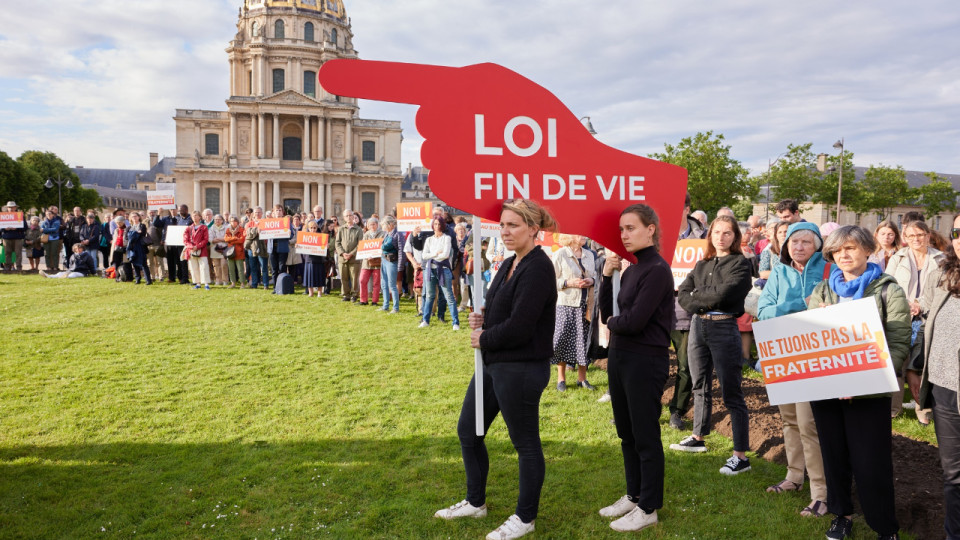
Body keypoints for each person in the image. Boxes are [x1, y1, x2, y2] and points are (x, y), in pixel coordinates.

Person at [435, 199, 557, 540]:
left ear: (533, 229)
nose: (505, 231)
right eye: (503, 225)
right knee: (468, 432)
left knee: (525, 444)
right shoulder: (507, 263)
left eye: (513, 225)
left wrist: (484, 336)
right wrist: (483, 317)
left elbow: (520, 326)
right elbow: (499, 308)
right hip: (494, 364)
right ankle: (476, 502)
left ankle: (525, 517)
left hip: (521, 368)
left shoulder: (538, 267)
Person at [807, 225, 910, 540]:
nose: (843, 255)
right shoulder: (823, 291)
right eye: (837, 250)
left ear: (868, 250)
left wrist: (863, 381)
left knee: (871, 463)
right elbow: (810, 338)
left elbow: (898, 343)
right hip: (827, 391)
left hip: (868, 394)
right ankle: (842, 515)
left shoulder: (887, 290)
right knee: (834, 457)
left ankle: (884, 527)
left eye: (850, 248)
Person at [595, 204, 674, 532]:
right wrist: (606, 275)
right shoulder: (631, 269)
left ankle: (649, 506)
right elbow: (605, 315)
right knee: (626, 432)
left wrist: (615, 322)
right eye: (622, 229)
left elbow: (634, 320)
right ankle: (634, 494)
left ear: (650, 229)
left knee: (644, 434)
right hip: (620, 357)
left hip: (645, 359)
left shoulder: (656, 269)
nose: (624, 235)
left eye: (631, 228)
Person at [757, 222, 829, 517]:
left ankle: (821, 493)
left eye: (806, 242)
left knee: (808, 423)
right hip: (782, 354)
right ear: (786, 246)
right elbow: (763, 311)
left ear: (817, 246)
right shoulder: (779, 273)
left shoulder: (828, 271)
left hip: (814, 355)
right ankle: (794, 477)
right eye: (794, 242)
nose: (799, 247)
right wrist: (799, 303)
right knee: (788, 419)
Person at [671, 215, 754, 475]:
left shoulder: (740, 264)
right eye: (716, 232)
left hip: (724, 327)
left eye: (727, 233)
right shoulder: (702, 263)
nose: (721, 237)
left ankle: (740, 455)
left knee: (732, 391)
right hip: (698, 327)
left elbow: (724, 294)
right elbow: (683, 294)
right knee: (700, 384)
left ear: (735, 236)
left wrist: (699, 297)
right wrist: (700, 299)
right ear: (710, 235)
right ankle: (698, 437)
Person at [918, 212, 960, 540]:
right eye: (957, 231)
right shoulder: (943, 275)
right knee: (954, 475)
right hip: (946, 389)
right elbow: (929, 321)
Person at [886, 219, 943, 425]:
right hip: (900, 315)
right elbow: (888, 285)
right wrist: (905, 303)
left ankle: (923, 410)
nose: (916, 239)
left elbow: (942, 288)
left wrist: (920, 303)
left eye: (920, 235)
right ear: (905, 238)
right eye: (911, 236)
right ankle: (894, 408)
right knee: (898, 362)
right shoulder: (897, 258)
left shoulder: (941, 258)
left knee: (922, 363)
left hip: (928, 316)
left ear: (928, 236)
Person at [550, 233, 596, 390]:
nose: (584, 236)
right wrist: (567, 282)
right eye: (579, 234)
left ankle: (582, 379)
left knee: (584, 342)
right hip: (566, 304)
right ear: (570, 236)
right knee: (562, 341)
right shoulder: (560, 254)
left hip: (586, 305)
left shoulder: (589, 254)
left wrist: (592, 281)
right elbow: (549, 279)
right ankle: (561, 379)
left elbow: (595, 276)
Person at [420, 216, 460, 329]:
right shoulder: (429, 239)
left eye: (439, 224)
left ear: (442, 225)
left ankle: (455, 323)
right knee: (429, 296)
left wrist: (432, 255)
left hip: (443, 270)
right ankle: (425, 320)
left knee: (449, 297)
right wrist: (436, 253)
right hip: (430, 269)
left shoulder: (446, 238)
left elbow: (445, 255)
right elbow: (424, 255)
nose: (437, 226)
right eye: (435, 224)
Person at [335, 209, 364, 302]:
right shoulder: (341, 229)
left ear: (353, 216)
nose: (348, 217)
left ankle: (354, 294)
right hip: (342, 258)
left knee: (354, 278)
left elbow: (360, 244)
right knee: (344, 277)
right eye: (346, 216)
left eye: (350, 215)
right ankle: (346, 294)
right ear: (344, 218)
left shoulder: (359, 230)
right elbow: (337, 242)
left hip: (354, 259)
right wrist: (343, 253)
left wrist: (351, 254)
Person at [358, 217, 383, 306]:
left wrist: (375, 255)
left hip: (377, 262)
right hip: (366, 262)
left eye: (374, 224)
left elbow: (382, 247)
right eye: (370, 224)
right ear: (367, 226)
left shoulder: (382, 234)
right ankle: (363, 300)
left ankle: (374, 301)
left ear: (377, 225)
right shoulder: (366, 234)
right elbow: (363, 248)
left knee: (376, 282)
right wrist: (366, 256)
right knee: (362, 280)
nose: (372, 226)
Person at [184, 210, 211, 290]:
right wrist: (192, 247)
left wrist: (198, 246)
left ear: (200, 217)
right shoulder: (188, 228)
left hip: (202, 250)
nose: (194, 217)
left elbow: (205, 239)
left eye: (196, 216)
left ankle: (206, 283)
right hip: (191, 250)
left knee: (204, 266)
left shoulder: (204, 227)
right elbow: (185, 240)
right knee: (193, 267)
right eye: (193, 216)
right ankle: (197, 283)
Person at [379, 215, 401, 312]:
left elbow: (400, 249)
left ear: (390, 224)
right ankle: (385, 305)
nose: (383, 227)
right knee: (384, 284)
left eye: (384, 225)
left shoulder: (397, 234)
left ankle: (395, 307)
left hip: (392, 261)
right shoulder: (387, 234)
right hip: (384, 259)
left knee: (392, 285)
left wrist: (400, 265)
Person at [125, 212, 151, 285]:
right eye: (132, 217)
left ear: (139, 217)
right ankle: (137, 279)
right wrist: (136, 233)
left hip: (141, 247)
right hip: (132, 248)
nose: (134, 218)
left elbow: (142, 234)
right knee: (134, 264)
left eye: (135, 216)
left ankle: (148, 280)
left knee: (143, 264)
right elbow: (127, 237)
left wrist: (133, 234)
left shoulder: (142, 226)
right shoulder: (129, 227)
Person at [224, 216, 246, 288]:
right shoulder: (228, 230)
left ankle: (242, 283)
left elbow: (241, 240)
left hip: (239, 251)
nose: (233, 223)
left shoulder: (242, 230)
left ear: (237, 222)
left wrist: (232, 240)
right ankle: (233, 283)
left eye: (234, 221)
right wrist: (235, 238)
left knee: (240, 269)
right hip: (230, 252)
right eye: (231, 221)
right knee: (231, 269)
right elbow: (226, 239)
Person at [208, 214, 228, 286]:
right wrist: (221, 239)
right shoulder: (211, 228)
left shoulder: (226, 228)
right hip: (214, 249)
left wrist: (218, 239)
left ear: (222, 220)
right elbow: (210, 239)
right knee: (216, 265)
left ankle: (225, 280)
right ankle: (218, 280)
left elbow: (226, 238)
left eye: (219, 219)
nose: (217, 221)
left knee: (224, 264)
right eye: (216, 219)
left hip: (224, 249)